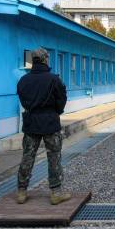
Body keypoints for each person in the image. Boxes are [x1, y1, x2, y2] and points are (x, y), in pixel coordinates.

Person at [16, 47, 71, 205]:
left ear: (33, 60)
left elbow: (22, 99)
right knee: (54, 157)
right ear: (46, 59)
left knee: (28, 156)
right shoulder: (54, 79)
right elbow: (62, 99)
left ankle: (21, 191)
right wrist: (56, 111)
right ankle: (55, 193)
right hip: (50, 122)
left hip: (31, 122)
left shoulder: (23, 80)